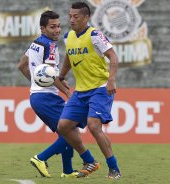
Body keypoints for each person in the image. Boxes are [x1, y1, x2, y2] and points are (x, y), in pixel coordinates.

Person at [57, 2, 121, 179]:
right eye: (70, 16)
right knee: (63, 126)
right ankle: (89, 160)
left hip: (100, 88)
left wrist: (111, 80)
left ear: (86, 18)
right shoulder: (68, 36)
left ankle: (114, 168)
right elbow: (69, 57)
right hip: (80, 91)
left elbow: (113, 57)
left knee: (93, 125)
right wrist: (61, 75)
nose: (72, 19)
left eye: (76, 16)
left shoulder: (95, 35)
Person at [18, 10, 78, 178]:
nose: (57, 30)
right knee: (71, 131)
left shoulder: (36, 43)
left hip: (37, 96)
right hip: (46, 97)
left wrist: (35, 82)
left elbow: (21, 65)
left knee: (67, 132)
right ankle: (40, 158)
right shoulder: (50, 46)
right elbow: (50, 74)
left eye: (59, 26)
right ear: (43, 28)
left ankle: (67, 171)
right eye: (52, 27)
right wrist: (67, 91)